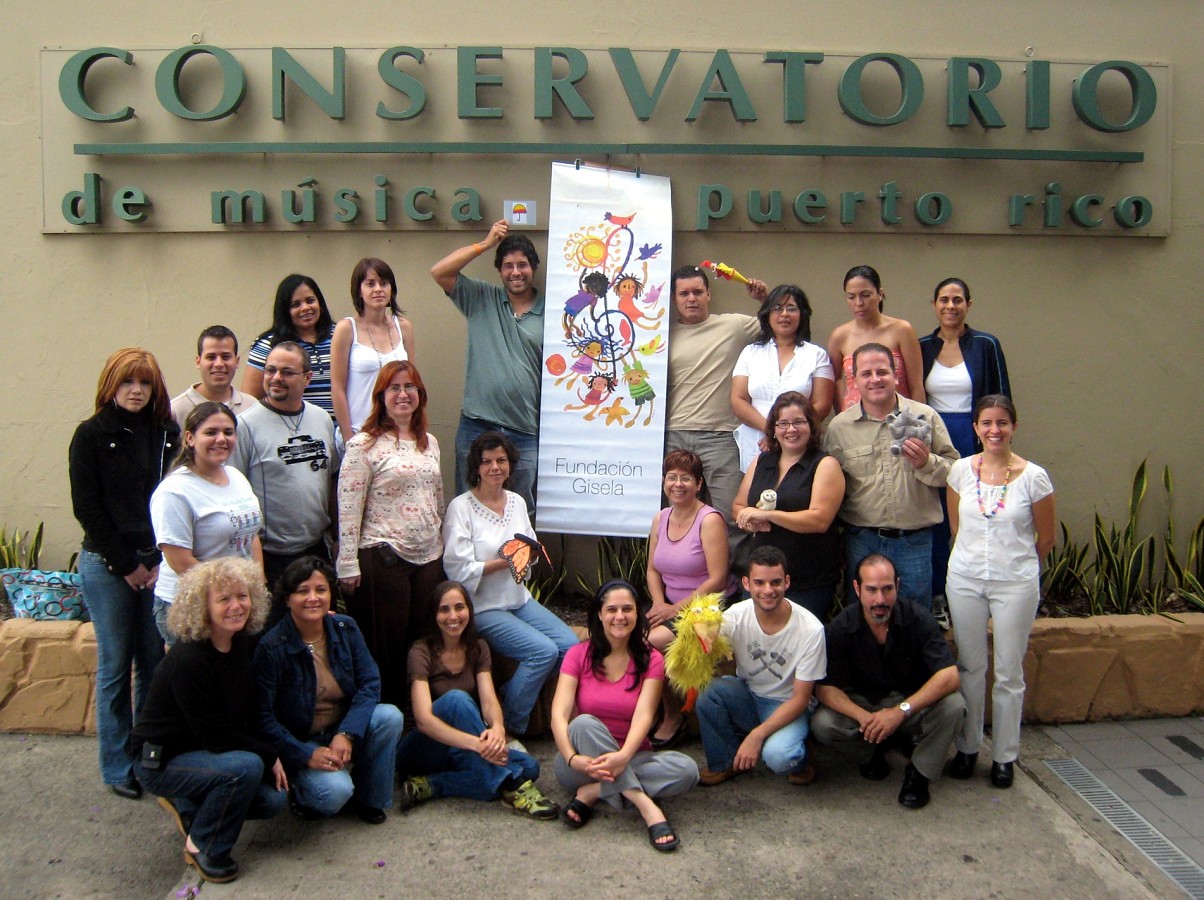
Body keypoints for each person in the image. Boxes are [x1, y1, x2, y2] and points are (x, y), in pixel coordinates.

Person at [132, 557, 287, 884]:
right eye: (224, 599)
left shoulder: (239, 643)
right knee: (245, 768)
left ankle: (189, 801)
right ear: (203, 606)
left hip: (204, 752)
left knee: (272, 800)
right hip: (162, 759)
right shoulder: (189, 660)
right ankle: (203, 844)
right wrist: (268, 753)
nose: (236, 606)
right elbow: (217, 736)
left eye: (242, 596)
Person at [69, 348, 180, 800]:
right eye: (127, 383)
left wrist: (154, 561)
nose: (136, 391)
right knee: (115, 665)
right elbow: (88, 508)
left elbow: (175, 498)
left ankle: (147, 754)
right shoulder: (91, 435)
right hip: (108, 564)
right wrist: (127, 564)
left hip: (155, 565)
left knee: (153, 663)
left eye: (145, 383)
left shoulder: (168, 435)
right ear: (110, 385)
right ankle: (117, 765)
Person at [946, 395, 1055, 788]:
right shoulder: (959, 471)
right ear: (975, 427)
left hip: (1015, 582)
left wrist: (1018, 566)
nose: (994, 430)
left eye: (1002, 423)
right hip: (965, 579)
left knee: (1008, 671)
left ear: (1014, 427)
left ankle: (1005, 756)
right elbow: (957, 526)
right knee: (970, 667)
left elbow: (1046, 537)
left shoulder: (1033, 477)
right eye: (987, 423)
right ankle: (968, 746)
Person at [442, 432, 578, 737]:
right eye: (487, 461)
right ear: (475, 467)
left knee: (569, 647)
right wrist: (505, 562)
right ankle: (513, 725)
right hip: (484, 607)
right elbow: (457, 569)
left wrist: (527, 557)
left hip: (519, 599)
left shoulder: (516, 502)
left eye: (501, 460)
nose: (495, 467)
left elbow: (528, 547)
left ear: (510, 464)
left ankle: (513, 695)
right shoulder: (461, 508)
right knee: (542, 652)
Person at [253, 557, 404, 823]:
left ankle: (370, 798)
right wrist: (305, 754)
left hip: (341, 728)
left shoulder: (345, 628)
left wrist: (347, 733)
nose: (313, 598)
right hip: (302, 740)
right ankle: (303, 794)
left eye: (321, 590)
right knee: (334, 793)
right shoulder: (272, 647)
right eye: (303, 591)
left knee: (389, 716)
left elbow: (370, 683)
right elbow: (262, 716)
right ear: (287, 598)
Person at [551, 580, 698, 851]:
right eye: (612, 609)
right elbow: (559, 715)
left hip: (632, 756)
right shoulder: (578, 655)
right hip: (582, 765)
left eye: (628, 609)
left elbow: (645, 715)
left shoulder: (651, 659)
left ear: (637, 615)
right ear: (599, 614)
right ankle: (645, 806)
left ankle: (594, 793)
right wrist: (572, 759)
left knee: (687, 771)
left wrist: (623, 757)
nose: (620, 616)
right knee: (583, 723)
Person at [812, 554, 964, 810]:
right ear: (857, 588)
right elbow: (825, 688)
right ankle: (872, 753)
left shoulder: (918, 618)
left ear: (898, 586)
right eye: (871, 590)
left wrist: (899, 712)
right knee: (823, 724)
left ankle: (919, 772)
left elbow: (949, 676)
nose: (880, 600)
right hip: (865, 706)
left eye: (887, 589)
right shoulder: (841, 627)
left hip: (909, 704)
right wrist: (863, 717)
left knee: (954, 706)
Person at [396, 581, 559, 819]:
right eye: (444, 609)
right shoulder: (421, 651)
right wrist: (478, 745)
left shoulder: (478, 648)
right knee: (456, 700)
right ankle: (513, 787)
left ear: (469, 611)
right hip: (422, 749)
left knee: (530, 767)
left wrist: (497, 730)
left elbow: (489, 701)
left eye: (459, 607)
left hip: (460, 748)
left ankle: (432, 785)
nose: (453, 616)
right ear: (434, 615)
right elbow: (423, 721)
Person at [336, 360, 443, 708]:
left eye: (409, 387)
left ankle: (416, 713)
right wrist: (347, 561)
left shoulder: (430, 443)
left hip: (428, 558)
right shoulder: (364, 445)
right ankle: (384, 715)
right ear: (381, 396)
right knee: (387, 646)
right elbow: (349, 504)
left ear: (420, 395)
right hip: (383, 556)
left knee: (420, 641)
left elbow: (437, 498)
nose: (402, 394)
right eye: (394, 388)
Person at [824, 342, 959, 610]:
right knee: (862, 620)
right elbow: (828, 487)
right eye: (866, 373)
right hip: (861, 541)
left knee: (913, 618)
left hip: (914, 542)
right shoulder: (839, 428)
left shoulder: (925, 417)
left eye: (882, 372)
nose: (875, 379)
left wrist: (926, 462)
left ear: (896, 374)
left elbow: (955, 473)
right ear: (855, 380)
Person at [430, 220, 544, 514]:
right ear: (499, 270)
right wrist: (486, 243)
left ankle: (517, 563)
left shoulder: (553, 311)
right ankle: (471, 563)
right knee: (468, 507)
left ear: (534, 267)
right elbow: (440, 272)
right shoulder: (481, 298)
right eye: (508, 265)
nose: (516, 272)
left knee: (520, 511)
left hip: (524, 428)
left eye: (522, 265)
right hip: (476, 423)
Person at [694, 546, 826, 788]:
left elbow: (801, 698)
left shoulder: (811, 629)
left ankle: (801, 753)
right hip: (749, 695)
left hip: (788, 705)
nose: (768, 590)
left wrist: (757, 735)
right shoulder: (736, 615)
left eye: (775, 582)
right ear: (746, 583)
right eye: (759, 583)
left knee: (780, 758)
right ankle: (726, 762)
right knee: (708, 692)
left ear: (787, 582)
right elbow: (705, 647)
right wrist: (700, 631)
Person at [919, 277, 1013, 600]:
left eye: (957, 300)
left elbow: (1000, 398)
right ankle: (937, 596)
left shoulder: (986, 344)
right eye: (943, 300)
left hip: (974, 439)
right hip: (935, 442)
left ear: (968, 305)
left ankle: (975, 595)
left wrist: (994, 443)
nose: (950, 306)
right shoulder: (922, 347)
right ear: (934, 305)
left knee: (972, 518)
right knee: (937, 523)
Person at [231, 342, 340, 613]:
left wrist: (338, 536)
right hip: (270, 556)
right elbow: (233, 492)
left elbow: (332, 481)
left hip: (315, 550)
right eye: (270, 370)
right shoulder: (245, 425)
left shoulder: (322, 419)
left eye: (286, 372)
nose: (276, 378)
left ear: (307, 377)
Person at [665, 264, 765, 545]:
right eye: (684, 294)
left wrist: (763, 298)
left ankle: (734, 586)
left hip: (721, 436)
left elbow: (780, 322)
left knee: (732, 517)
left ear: (709, 294)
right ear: (674, 299)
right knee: (676, 515)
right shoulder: (660, 335)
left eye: (698, 292)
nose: (691, 299)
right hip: (674, 435)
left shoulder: (734, 326)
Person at [150, 401, 264, 644]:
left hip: (233, 606)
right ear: (190, 438)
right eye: (211, 432)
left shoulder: (236, 477)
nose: (221, 439)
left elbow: (251, 535)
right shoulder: (175, 491)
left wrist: (256, 585)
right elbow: (181, 562)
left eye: (228, 432)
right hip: (193, 607)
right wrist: (225, 598)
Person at [644, 448, 732, 748]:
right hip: (667, 604)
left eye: (686, 478)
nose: (678, 484)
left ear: (699, 483)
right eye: (672, 477)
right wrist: (659, 603)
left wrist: (673, 610)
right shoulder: (661, 518)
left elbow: (717, 578)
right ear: (663, 481)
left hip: (706, 608)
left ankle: (673, 716)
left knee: (650, 645)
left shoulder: (709, 520)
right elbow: (652, 569)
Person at [732, 392, 845, 620]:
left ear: (811, 426)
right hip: (762, 578)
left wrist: (769, 516)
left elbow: (820, 520)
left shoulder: (825, 464)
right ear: (773, 428)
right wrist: (749, 521)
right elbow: (738, 505)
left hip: (807, 579)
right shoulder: (761, 461)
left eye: (798, 422)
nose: (791, 430)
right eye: (783, 423)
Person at [730, 283, 835, 471]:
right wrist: (771, 432)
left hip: (800, 444)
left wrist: (787, 432)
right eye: (777, 308)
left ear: (802, 315)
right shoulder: (750, 352)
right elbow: (738, 400)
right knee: (755, 499)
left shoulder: (817, 355)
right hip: (756, 443)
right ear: (767, 315)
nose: (784, 314)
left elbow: (822, 405)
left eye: (791, 308)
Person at [330, 257, 415, 442]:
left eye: (384, 283)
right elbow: (337, 388)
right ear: (359, 290)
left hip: (397, 432)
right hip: (360, 431)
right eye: (370, 284)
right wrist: (348, 436)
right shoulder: (346, 329)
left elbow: (412, 383)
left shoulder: (404, 327)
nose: (378, 289)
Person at [827, 266, 924, 411]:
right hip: (856, 421)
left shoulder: (902, 330)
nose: (858, 303)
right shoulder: (840, 336)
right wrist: (842, 414)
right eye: (851, 296)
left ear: (879, 294)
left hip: (899, 420)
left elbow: (916, 385)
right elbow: (836, 380)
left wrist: (918, 421)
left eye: (865, 295)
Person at [241, 274, 338, 420]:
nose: (305, 308)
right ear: (285, 311)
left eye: (310, 301)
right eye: (295, 304)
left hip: (342, 434)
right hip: (288, 434)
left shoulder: (341, 336)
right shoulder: (268, 345)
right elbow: (250, 400)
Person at [170, 326, 254, 427]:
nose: (219, 364)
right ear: (198, 361)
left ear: (237, 361)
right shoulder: (176, 411)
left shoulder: (252, 407)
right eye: (211, 357)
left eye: (225, 357)